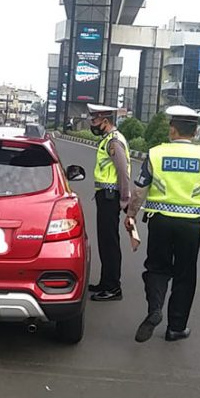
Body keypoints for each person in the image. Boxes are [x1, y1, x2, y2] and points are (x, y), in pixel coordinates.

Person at [125, 105, 200, 342]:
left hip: (160, 223)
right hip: (190, 226)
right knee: (185, 275)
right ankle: (176, 327)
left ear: (172, 130)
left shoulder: (156, 153)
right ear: (196, 131)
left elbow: (139, 190)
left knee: (157, 268)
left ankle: (155, 309)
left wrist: (131, 214)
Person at [88, 104, 132, 302]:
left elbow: (122, 172)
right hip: (105, 196)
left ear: (105, 121)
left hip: (110, 197)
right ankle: (106, 282)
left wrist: (125, 199)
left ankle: (113, 287)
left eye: (95, 121)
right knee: (105, 242)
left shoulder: (114, 142)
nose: (93, 124)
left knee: (110, 243)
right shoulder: (108, 140)